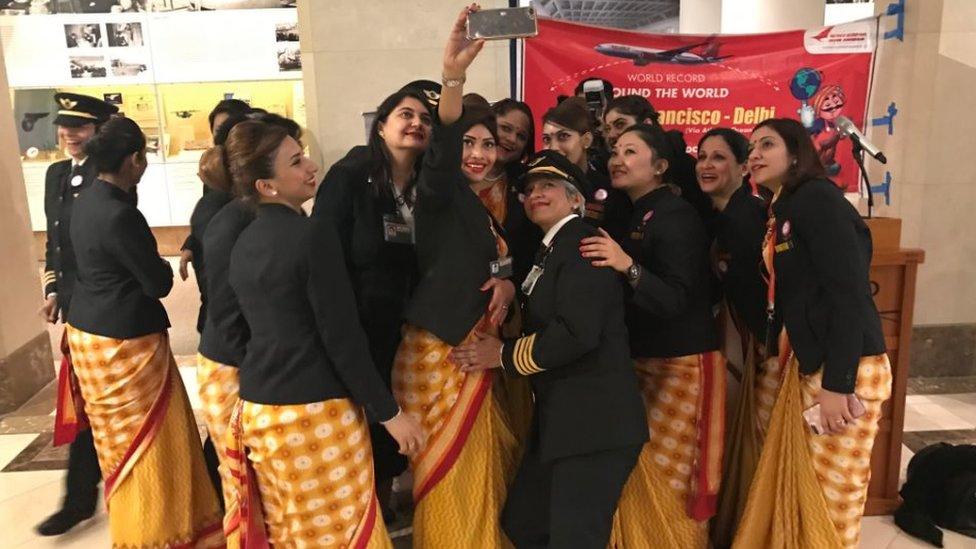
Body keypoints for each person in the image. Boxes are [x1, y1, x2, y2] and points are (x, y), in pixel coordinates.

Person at [223, 119, 424, 547]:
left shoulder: (244, 240)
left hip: (259, 410)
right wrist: (389, 413)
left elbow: (241, 327)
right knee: (344, 533)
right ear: (267, 185)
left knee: (293, 532)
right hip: (316, 415)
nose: (312, 166)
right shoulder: (313, 236)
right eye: (296, 162)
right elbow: (342, 335)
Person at [452, 150, 647, 548]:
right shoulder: (551, 250)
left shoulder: (581, 245)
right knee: (526, 522)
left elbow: (578, 333)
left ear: (576, 199)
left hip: (595, 424)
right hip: (565, 421)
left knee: (574, 538)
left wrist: (503, 356)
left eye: (549, 186)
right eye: (530, 189)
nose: (536, 194)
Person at [390, 6, 518, 546]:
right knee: (448, 471)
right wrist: (453, 76)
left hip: (472, 351)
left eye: (488, 144)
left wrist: (507, 279)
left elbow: (493, 259)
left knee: (474, 468)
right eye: (469, 142)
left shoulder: (479, 205)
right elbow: (440, 151)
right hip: (440, 351)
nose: (479, 153)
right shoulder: (438, 192)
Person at [64, 116, 224, 547]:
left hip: (88, 335)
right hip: (127, 341)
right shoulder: (120, 214)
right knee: (153, 441)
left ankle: (141, 526)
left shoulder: (84, 200)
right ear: (135, 159)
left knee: (117, 443)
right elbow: (157, 282)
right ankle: (161, 532)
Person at [733, 119, 891, 549]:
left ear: (797, 152)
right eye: (751, 148)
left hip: (847, 367)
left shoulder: (817, 198)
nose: (755, 155)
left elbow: (847, 293)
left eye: (767, 144)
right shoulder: (784, 207)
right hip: (813, 362)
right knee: (798, 489)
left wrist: (838, 384)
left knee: (829, 500)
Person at [580, 123, 725, 548]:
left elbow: (677, 299)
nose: (616, 160)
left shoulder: (676, 217)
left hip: (680, 362)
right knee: (641, 469)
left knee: (672, 475)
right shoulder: (633, 210)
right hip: (642, 358)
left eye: (630, 152)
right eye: (615, 151)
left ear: (660, 166)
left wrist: (627, 265)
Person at [311, 84, 435, 523]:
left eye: (425, 119)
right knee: (361, 428)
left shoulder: (426, 185)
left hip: (397, 330)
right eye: (406, 114)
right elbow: (323, 261)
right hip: (350, 327)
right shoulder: (351, 176)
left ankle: (382, 508)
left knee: (385, 435)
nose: (416, 123)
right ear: (381, 126)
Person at [193, 113, 303, 513]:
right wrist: (258, 371)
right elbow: (225, 310)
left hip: (258, 365)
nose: (308, 166)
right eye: (294, 158)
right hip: (233, 366)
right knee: (242, 478)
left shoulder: (280, 215)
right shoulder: (232, 222)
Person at [35, 92, 118, 537]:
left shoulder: (109, 176)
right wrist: (53, 289)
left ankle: (83, 496)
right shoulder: (55, 174)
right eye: (65, 125)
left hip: (103, 309)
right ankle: (80, 498)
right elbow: (56, 241)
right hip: (75, 307)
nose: (69, 133)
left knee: (98, 405)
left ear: (99, 130)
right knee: (86, 404)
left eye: (80, 126)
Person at [693, 128, 779, 548]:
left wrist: (765, 347)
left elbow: (756, 289)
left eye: (719, 158)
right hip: (738, 336)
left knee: (747, 437)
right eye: (702, 157)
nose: (706, 165)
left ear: (744, 167)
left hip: (754, 344)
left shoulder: (746, 215)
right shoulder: (726, 213)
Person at [488, 98, 543, 447]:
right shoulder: (448, 180)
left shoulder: (525, 186)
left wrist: (509, 285)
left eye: (520, 135)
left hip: (508, 311)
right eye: (505, 127)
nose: (510, 138)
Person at [603, 94, 714, 224]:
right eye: (607, 129)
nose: (611, 135)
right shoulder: (611, 169)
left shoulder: (686, 168)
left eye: (620, 124)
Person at [178, 98, 252, 282]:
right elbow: (209, 217)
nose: (225, 138)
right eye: (219, 130)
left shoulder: (255, 172)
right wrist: (191, 244)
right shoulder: (213, 172)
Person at [542, 96, 631, 241]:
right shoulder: (536, 187)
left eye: (563, 136)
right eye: (547, 139)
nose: (553, 147)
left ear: (586, 140)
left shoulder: (609, 190)